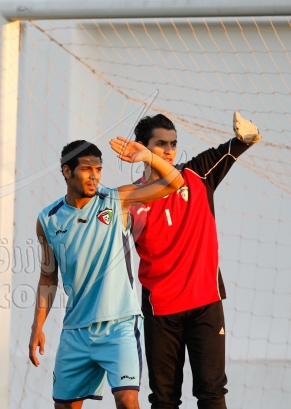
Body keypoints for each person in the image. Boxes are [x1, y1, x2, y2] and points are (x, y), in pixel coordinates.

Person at [28, 138, 184, 409]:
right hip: (76, 331)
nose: (95, 176)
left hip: (119, 325)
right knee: (64, 407)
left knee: (127, 400)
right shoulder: (48, 219)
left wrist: (148, 156)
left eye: (98, 169)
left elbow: (175, 182)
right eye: (87, 169)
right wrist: (37, 326)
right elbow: (48, 277)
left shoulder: (116, 200)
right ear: (67, 171)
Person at [128, 112, 261, 409]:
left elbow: (238, 145)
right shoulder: (131, 199)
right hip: (160, 310)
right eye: (160, 144)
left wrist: (248, 134)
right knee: (164, 400)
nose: (169, 150)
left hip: (205, 304)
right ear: (142, 147)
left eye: (173, 144)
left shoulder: (196, 173)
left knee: (212, 394)